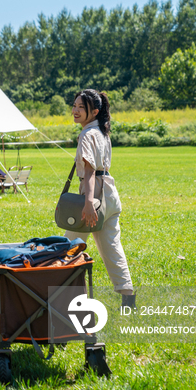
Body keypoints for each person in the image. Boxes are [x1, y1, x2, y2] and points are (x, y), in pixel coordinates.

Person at [64, 89, 135, 307]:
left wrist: (87, 204)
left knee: (70, 247)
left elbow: (89, 171)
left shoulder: (87, 134)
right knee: (112, 248)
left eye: (81, 107)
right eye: (74, 105)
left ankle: (63, 297)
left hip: (93, 196)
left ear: (94, 111)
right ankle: (128, 296)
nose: (75, 110)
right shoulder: (102, 132)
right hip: (110, 194)